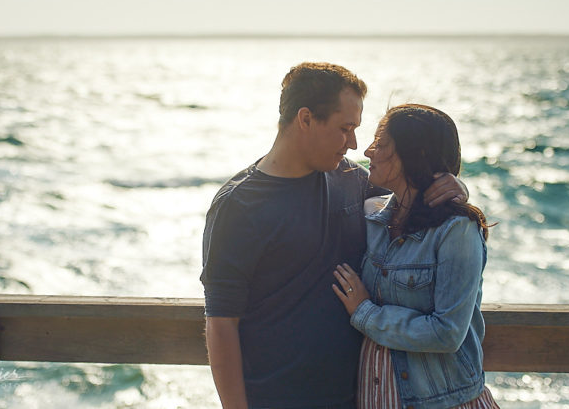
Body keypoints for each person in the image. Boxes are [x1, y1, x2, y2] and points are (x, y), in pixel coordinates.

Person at [200, 63, 468, 409]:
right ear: (306, 119)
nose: (355, 143)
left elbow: (413, 193)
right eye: (345, 128)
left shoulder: (353, 180)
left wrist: (455, 185)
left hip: (359, 398)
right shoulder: (238, 205)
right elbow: (221, 324)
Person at [332, 104, 499, 409]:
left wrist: (365, 312)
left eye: (381, 144)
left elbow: (447, 333)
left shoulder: (456, 230)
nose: (368, 151)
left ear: (416, 154)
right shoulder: (371, 216)